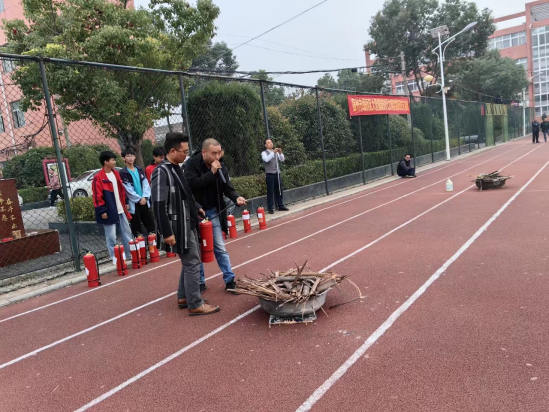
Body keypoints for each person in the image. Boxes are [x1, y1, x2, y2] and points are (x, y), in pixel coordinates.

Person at [151, 132, 219, 316]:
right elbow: (158, 204)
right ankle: (195, 303)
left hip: (189, 222)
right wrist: (166, 232)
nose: (186, 155)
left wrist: (196, 207)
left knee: (190, 261)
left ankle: (183, 297)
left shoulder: (177, 168)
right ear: (173, 151)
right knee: (192, 262)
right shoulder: (161, 172)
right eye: (184, 152)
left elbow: (185, 193)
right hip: (178, 226)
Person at [184, 138, 247, 293]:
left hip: (213, 211)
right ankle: (200, 282)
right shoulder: (191, 164)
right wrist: (211, 173)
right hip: (195, 212)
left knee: (219, 247)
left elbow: (227, 187)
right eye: (214, 153)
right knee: (197, 250)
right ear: (204, 152)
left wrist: (236, 197)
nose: (217, 156)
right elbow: (191, 185)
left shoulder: (221, 166)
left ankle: (230, 280)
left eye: (219, 153)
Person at [92, 151, 133, 265]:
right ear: (106, 162)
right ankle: (115, 258)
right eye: (113, 160)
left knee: (126, 232)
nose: (115, 162)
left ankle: (129, 254)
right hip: (109, 211)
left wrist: (126, 202)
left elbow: (122, 190)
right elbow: (97, 196)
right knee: (111, 236)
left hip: (121, 209)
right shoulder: (98, 178)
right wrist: (102, 210)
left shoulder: (116, 174)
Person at [120, 149, 156, 238]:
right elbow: (127, 189)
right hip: (134, 202)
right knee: (136, 224)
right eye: (127, 156)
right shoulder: (123, 172)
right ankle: (139, 242)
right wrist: (139, 199)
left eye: (131, 156)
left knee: (149, 222)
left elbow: (145, 184)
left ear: (135, 157)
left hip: (144, 200)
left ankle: (153, 241)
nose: (130, 158)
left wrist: (144, 197)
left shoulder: (139, 169)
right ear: (124, 158)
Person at [261, 139, 289, 214]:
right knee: (270, 191)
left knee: (279, 189)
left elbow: (282, 159)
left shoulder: (276, 152)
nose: (271, 144)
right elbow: (266, 159)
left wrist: (280, 153)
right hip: (269, 174)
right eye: (268, 143)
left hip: (277, 173)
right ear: (265, 145)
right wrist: (273, 152)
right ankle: (270, 208)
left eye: (271, 142)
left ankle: (280, 205)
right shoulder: (264, 153)